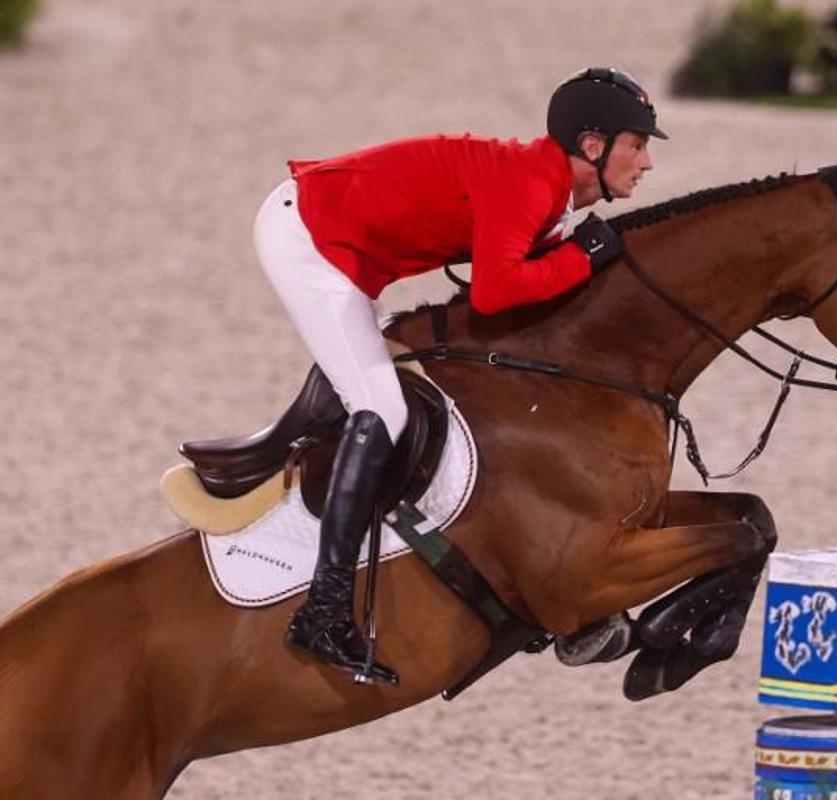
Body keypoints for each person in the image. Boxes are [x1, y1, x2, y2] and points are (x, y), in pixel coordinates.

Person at [251, 67, 666, 683]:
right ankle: (324, 609)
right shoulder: (529, 185)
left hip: (348, 250)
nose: (647, 163)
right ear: (593, 146)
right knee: (384, 411)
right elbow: (497, 293)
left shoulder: (550, 197)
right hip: (310, 241)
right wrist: (582, 257)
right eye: (638, 145)